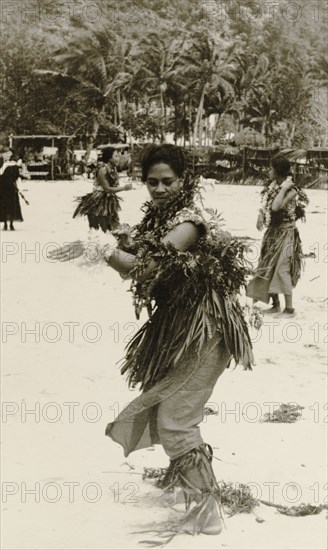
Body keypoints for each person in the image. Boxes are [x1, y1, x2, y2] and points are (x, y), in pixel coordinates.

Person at [49, 144, 254, 537]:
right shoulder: (160, 219)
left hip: (205, 331)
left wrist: (99, 247)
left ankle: (207, 507)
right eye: (151, 182)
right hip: (178, 329)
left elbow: (146, 271)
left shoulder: (188, 223)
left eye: (167, 182)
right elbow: (139, 251)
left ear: (184, 180)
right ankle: (188, 484)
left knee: (176, 420)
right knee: (168, 409)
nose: (158, 189)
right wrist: (119, 241)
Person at [247, 156, 309, 318]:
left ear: (279, 172)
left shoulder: (291, 189)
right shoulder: (272, 187)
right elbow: (266, 206)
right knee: (268, 265)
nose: (268, 171)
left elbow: (275, 207)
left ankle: (289, 309)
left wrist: (282, 190)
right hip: (273, 233)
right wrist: (260, 214)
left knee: (282, 268)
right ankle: (275, 305)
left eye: (271, 169)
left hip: (286, 234)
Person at [73, 147, 132, 233]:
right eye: (116, 156)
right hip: (98, 201)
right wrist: (124, 188)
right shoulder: (103, 170)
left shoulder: (113, 169)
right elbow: (107, 189)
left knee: (112, 226)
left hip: (108, 199)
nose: (118, 159)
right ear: (109, 158)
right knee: (100, 228)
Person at [0, 157, 23, 230]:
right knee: (12, 207)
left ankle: (5, 224)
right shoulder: (15, 167)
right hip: (12, 190)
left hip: (3, 190)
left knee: (4, 206)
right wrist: (19, 190)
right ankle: (11, 224)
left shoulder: (4, 166)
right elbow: (17, 180)